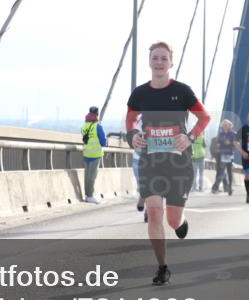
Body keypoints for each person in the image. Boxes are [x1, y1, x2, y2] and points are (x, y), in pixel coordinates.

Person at [126, 41, 211, 285]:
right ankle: (162, 267)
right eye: (155, 58)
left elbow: (204, 117)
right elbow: (130, 120)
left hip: (179, 165)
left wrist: (190, 136)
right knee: (154, 213)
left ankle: (181, 223)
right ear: (149, 62)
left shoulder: (182, 91)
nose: (159, 62)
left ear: (171, 63)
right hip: (151, 163)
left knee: (172, 220)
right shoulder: (140, 93)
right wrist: (133, 136)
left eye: (164, 58)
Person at [80, 106, 107, 204]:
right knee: (92, 176)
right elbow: (103, 142)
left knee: (87, 176)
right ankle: (90, 196)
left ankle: (87, 195)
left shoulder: (84, 126)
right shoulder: (98, 126)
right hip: (95, 155)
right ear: (97, 114)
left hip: (86, 153)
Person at [211, 119, 237, 195]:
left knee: (228, 172)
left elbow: (236, 144)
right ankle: (215, 188)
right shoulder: (221, 134)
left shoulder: (233, 134)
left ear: (230, 126)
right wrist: (219, 145)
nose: (224, 126)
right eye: (223, 125)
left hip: (230, 154)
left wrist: (230, 143)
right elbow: (218, 143)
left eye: (226, 125)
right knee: (222, 172)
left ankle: (228, 188)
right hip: (222, 154)